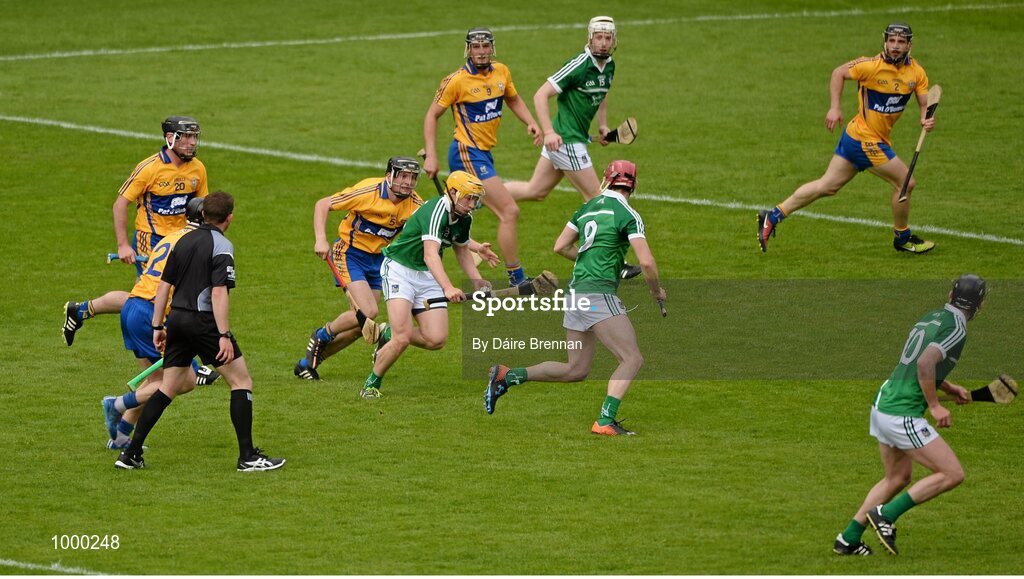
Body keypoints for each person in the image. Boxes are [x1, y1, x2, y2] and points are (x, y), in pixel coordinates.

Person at [485, 160, 666, 435]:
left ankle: (508, 376)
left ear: (606, 180)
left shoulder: (586, 208)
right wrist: (656, 291)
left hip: (575, 293)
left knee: (575, 369)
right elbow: (648, 263)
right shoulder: (628, 214)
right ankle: (605, 421)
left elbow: (561, 246)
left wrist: (594, 257)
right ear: (634, 185)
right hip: (597, 293)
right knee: (631, 358)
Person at [114, 192, 284, 472]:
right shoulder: (223, 246)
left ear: (203, 215)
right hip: (203, 322)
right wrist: (224, 335)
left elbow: (164, 287)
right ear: (229, 218)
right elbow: (218, 293)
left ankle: (130, 453)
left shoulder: (181, 241)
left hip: (176, 320)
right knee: (241, 382)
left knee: (167, 388)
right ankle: (247, 457)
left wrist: (158, 325)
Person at [833, 274, 986, 556]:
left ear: (951, 296)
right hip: (901, 414)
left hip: (884, 403)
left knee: (897, 477)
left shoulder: (932, 316)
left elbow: (916, 364)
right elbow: (925, 363)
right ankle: (886, 515)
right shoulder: (958, 328)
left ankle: (848, 539)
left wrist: (949, 388)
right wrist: (935, 405)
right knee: (952, 473)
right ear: (981, 305)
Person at [758, 23, 936, 254]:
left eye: (900, 42)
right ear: (885, 42)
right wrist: (835, 107)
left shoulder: (916, 73)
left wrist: (926, 118)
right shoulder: (870, 66)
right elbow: (838, 73)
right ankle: (902, 238)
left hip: (859, 138)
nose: (894, 46)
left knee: (827, 186)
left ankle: (772, 216)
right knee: (905, 183)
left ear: (909, 45)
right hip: (864, 139)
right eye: (891, 41)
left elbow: (924, 102)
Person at [503, 16, 641, 280]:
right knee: (598, 200)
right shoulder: (579, 65)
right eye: (598, 37)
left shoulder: (609, 66)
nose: (602, 42)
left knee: (536, 190)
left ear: (614, 41)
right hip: (565, 141)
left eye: (607, 37)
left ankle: (483, 194)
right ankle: (613, 262)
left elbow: (603, 93)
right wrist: (549, 131)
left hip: (572, 139)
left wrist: (603, 126)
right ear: (589, 39)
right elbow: (540, 94)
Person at [63, 116, 209, 346]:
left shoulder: (198, 169)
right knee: (156, 297)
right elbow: (120, 204)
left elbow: (202, 207)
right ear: (170, 139)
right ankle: (183, 363)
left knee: (151, 298)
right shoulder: (149, 169)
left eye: (194, 137)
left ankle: (82, 310)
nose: (192, 142)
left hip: (180, 240)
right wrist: (122, 245)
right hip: (150, 240)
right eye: (187, 137)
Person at [360, 171, 498, 399]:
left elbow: (461, 249)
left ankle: (388, 332)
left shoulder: (464, 217)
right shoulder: (436, 211)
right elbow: (430, 255)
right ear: (453, 193)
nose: (472, 204)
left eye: (475, 199)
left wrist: (478, 282)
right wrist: (448, 288)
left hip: (426, 276)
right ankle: (371, 384)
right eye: (468, 197)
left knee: (436, 339)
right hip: (399, 270)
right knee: (402, 338)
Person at [423, 27, 542, 287]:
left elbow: (513, 99)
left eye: (485, 46)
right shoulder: (456, 80)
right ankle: (517, 278)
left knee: (466, 211)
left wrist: (530, 122)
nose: (481, 51)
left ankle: (457, 245)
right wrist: (431, 155)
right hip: (466, 152)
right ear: (468, 49)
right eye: (475, 47)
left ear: (492, 48)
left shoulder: (502, 71)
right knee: (509, 211)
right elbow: (432, 115)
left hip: (484, 153)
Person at [101, 198, 220, 450]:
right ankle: (117, 405)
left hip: (134, 305)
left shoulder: (171, 236)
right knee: (183, 381)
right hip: (151, 312)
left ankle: (121, 434)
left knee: (156, 379)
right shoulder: (200, 244)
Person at [294, 157, 425, 380]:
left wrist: (472, 245)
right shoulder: (367, 191)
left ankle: (307, 363)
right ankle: (322, 335)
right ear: (389, 175)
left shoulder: (415, 204)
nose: (408, 182)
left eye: (412, 177)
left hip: (378, 261)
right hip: (349, 253)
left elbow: (435, 227)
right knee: (369, 312)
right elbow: (323, 204)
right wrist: (320, 239)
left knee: (362, 326)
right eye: (403, 176)